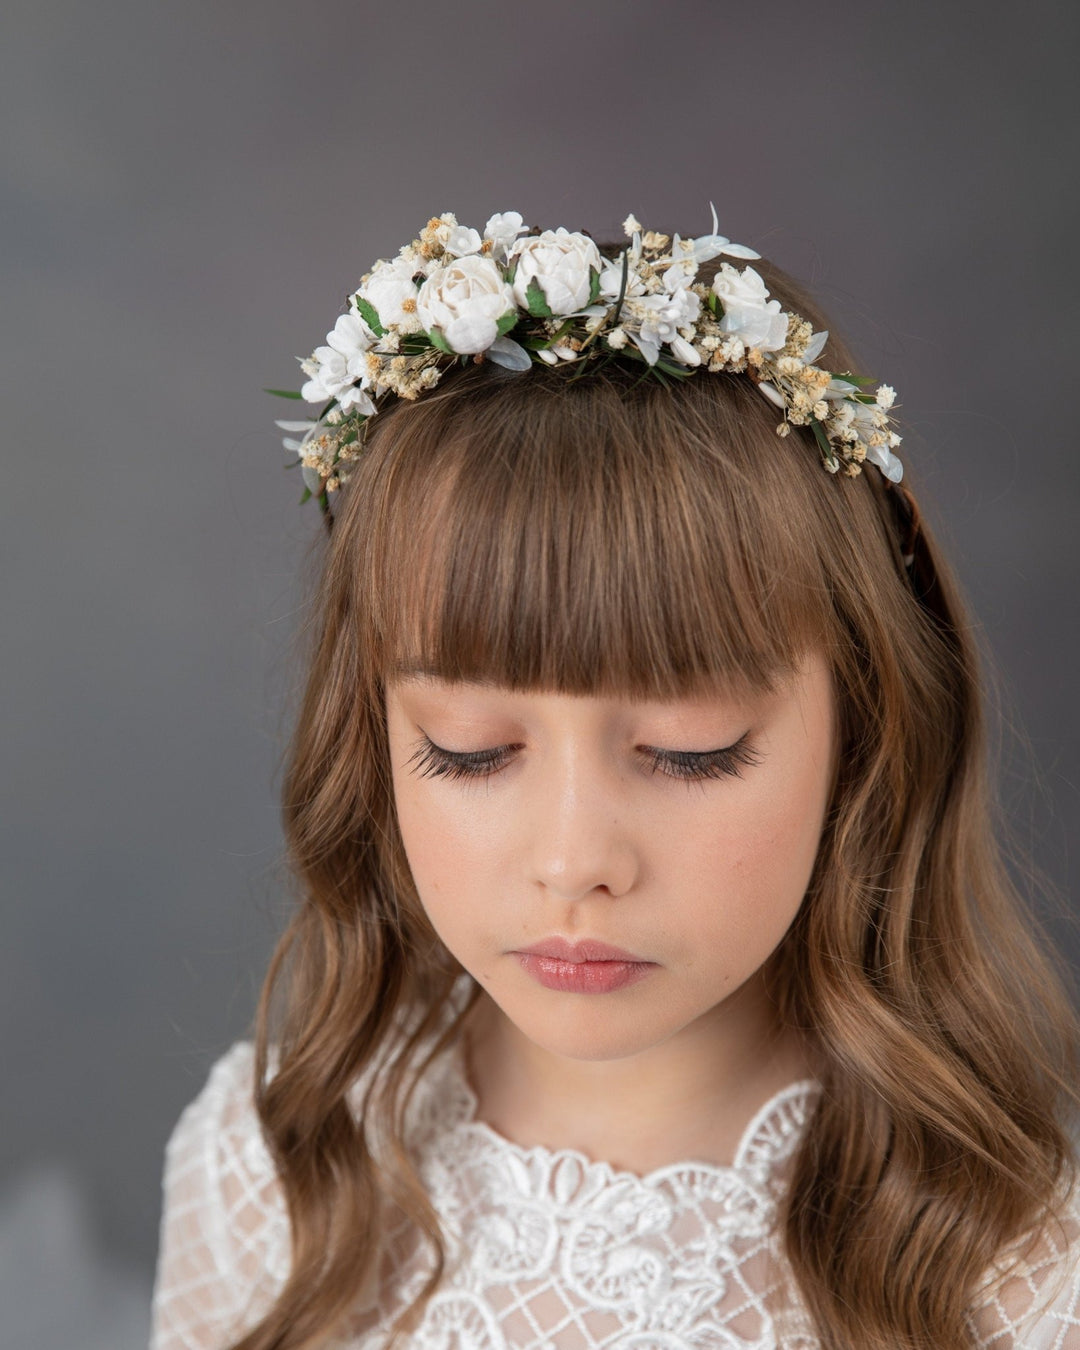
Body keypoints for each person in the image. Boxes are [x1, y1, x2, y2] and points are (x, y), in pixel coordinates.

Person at [150, 208, 1080, 1350]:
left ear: (865, 729)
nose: (575, 861)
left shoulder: (1025, 1251)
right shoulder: (267, 1170)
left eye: (691, 751)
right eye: (471, 748)